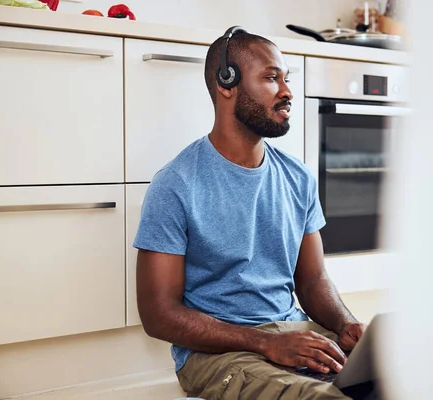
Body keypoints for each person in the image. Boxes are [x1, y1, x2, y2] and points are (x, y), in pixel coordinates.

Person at [134, 26, 374, 400]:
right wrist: (264, 343)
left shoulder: (297, 177)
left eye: (286, 78)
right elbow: (158, 313)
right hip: (220, 353)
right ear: (226, 83)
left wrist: (344, 324)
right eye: (270, 78)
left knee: (404, 374)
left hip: (294, 331)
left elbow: (311, 281)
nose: (287, 91)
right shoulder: (176, 184)